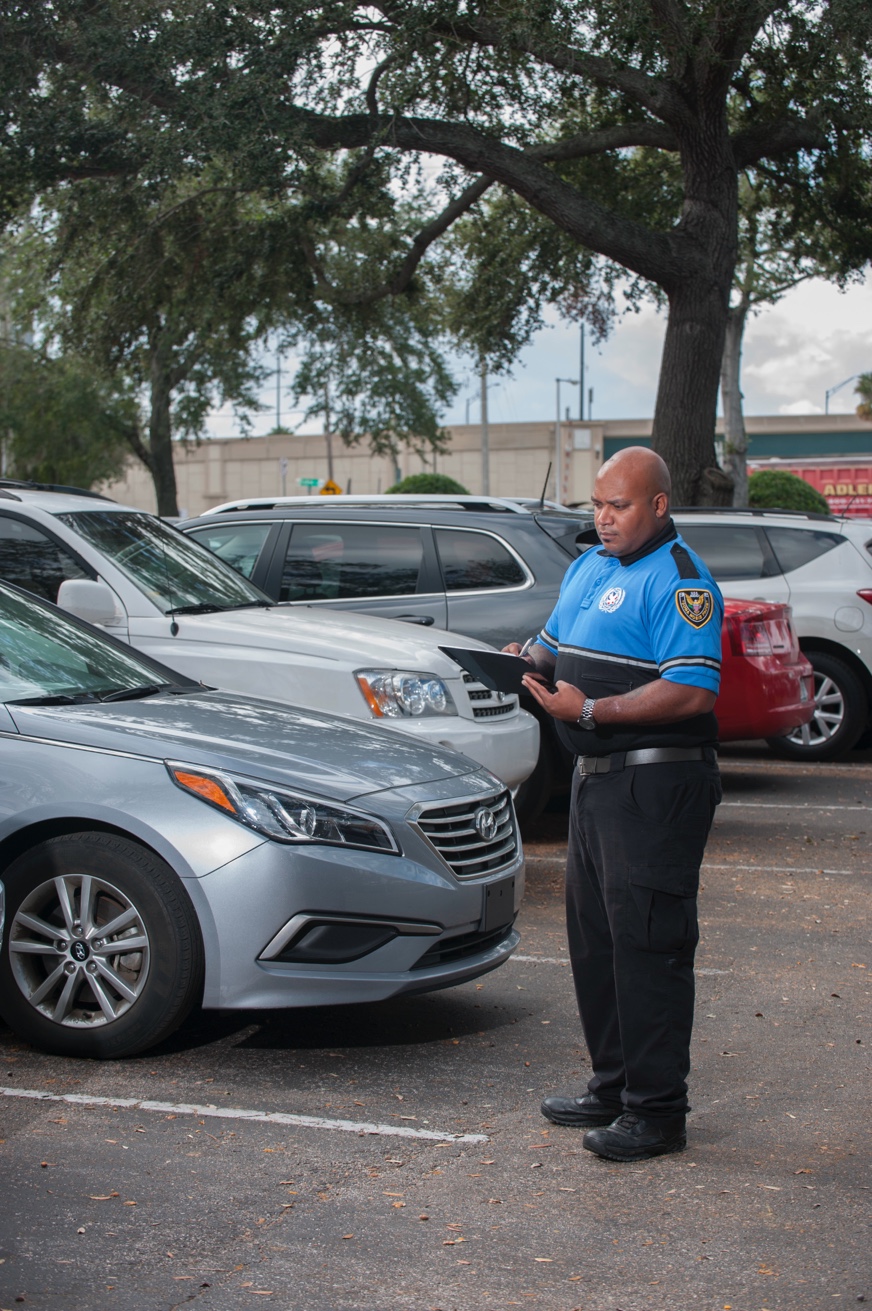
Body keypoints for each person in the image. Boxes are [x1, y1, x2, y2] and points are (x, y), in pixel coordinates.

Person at [507, 446, 723, 1162]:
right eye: (597, 504)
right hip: (595, 779)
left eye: (619, 505)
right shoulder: (587, 567)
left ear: (659, 505)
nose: (603, 517)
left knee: (649, 944)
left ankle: (658, 1110)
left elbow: (690, 689)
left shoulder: (683, 581)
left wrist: (593, 708)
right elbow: (550, 649)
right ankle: (614, 1084)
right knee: (596, 941)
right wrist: (524, 665)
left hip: (655, 783)